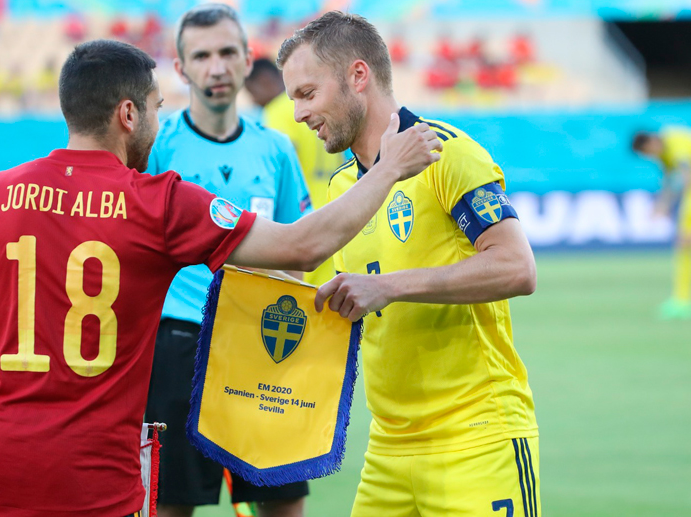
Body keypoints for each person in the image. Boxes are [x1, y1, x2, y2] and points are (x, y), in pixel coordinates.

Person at [0, 39, 441, 517]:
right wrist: (388, 168)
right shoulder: (158, 205)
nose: (160, 123)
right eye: (158, 108)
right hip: (92, 489)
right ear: (129, 114)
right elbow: (303, 244)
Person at [277, 12, 539, 516]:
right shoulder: (341, 189)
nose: (298, 113)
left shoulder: (448, 153)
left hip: (476, 439)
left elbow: (516, 268)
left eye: (307, 94)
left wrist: (390, 286)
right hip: (387, 452)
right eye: (293, 98)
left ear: (359, 77)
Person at [143, 6, 312, 517]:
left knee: (281, 505)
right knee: (170, 506)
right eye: (201, 55)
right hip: (177, 345)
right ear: (181, 69)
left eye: (226, 53)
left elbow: (297, 252)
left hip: (261, 342)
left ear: (246, 60)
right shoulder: (156, 147)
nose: (215, 67)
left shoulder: (277, 150)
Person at [244, 58, 346, 286]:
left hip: (303, 224)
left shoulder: (278, 111)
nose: (253, 101)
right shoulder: (319, 107)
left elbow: (279, 168)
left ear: (265, 81)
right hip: (337, 215)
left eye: (252, 92)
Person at [633, 128, 691, 320]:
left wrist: (674, 200)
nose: (650, 157)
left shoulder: (676, 141)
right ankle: (682, 300)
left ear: (651, 143)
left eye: (647, 153)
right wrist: (662, 205)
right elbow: (669, 179)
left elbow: (687, 173)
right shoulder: (663, 154)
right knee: (683, 243)